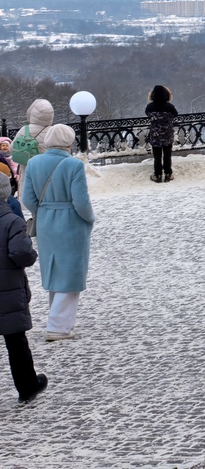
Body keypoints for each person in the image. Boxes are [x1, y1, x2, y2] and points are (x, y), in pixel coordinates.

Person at [22, 124, 94, 342]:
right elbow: (80, 201)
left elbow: (27, 198)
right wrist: (89, 218)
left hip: (46, 222)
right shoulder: (73, 165)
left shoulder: (34, 162)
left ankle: (59, 321)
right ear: (69, 142)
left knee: (54, 271)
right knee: (70, 273)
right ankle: (58, 327)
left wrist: (43, 213)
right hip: (71, 221)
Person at [0, 193, 47, 403]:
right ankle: (27, 387)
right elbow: (21, 253)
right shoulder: (12, 221)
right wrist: (32, 255)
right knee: (16, 340)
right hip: (7, 287)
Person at [11, 99, 54, 178]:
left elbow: (12, 148)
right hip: (49, 170)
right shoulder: (54, 131)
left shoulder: (25, 130)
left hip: (28, 169)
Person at [144, 85, 178, 183]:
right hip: (167, 133)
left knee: (157, 156)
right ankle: (168, 174)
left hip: (155, 134)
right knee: (167, 155)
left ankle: (157, 175)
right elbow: (175, 114)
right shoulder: (169, 106)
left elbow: (147, 113)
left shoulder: (150, 106)